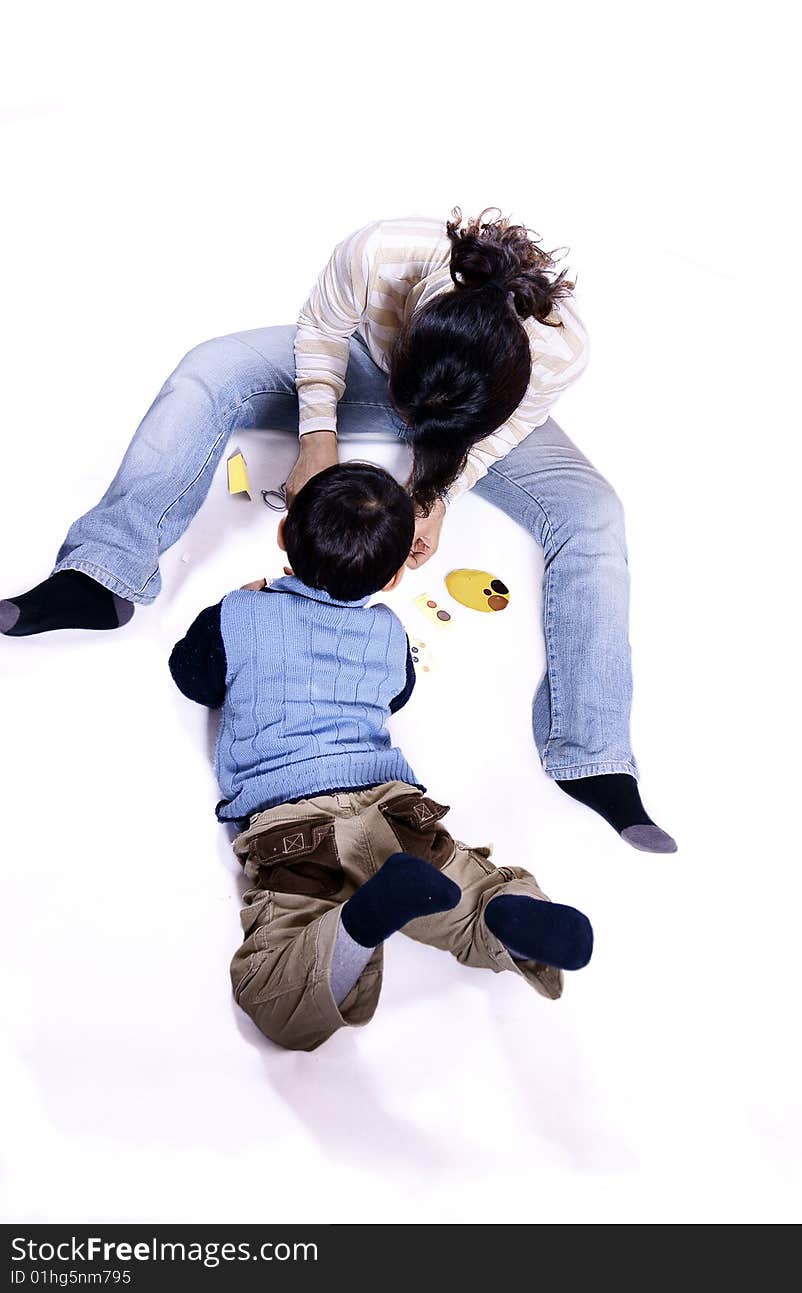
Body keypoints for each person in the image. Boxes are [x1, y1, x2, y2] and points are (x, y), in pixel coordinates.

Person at [2, 209, 676, 853]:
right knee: (207, 371)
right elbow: (321, 331)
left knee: (594, 512)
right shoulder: (381, 252)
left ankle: (591, 752)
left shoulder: (561, 346)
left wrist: (439, 488)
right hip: (369, 369)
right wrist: (316, 435)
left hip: (474, 427)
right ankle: (102, 574)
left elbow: (506, 433)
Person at [168, 462, 593, 1052]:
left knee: (278, 987)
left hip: (293, 824)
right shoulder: (388, 633)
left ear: (284, 534)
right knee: (466, 890)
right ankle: (504, 916)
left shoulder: (237, 617)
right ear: (393, 579)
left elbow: (192, 678)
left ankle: (358, 925)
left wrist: (237, 609)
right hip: (394, 808)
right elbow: (397, 694)